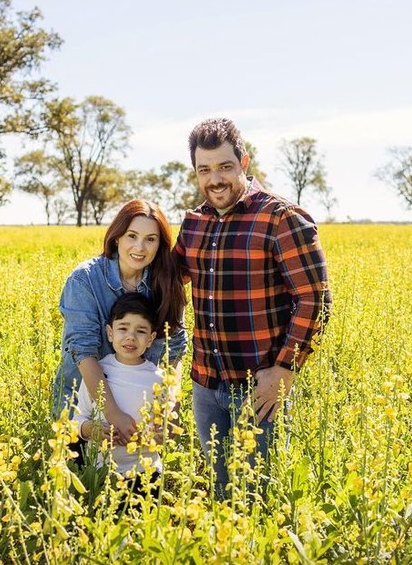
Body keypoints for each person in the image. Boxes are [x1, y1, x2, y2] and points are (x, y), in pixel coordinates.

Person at [173, 117, 331, 496]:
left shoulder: (280, 217)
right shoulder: (194, 224)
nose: (215, 179)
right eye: (205, 169)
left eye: (225, 167)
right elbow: (165, 280)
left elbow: (315, 298)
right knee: (220, 494)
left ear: (244, 164)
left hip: (259, 389)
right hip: (204, 384)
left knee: (262, 499)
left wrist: (285, 368)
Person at [52, 199, 187, 452]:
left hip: (141, 416)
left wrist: (170, 411)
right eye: (132, 236)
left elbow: (174, 352)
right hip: (86, 415)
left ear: (160, 245)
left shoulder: (167, 283)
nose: (139, 247)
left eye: (150, 239)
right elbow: (84, 352)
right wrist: (113, 414)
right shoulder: (85, 280)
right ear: (116, 237)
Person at [72, 293, 177, 478]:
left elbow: (167, 432)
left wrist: (157, 437)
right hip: (99, 472)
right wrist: (92, 430)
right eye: (123, 328)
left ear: (151, 339)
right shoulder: (97, 372)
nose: (131, 337)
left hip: (146, 473)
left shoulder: (159, 379)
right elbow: (77, 422)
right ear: (110, 333)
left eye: (141, 331)